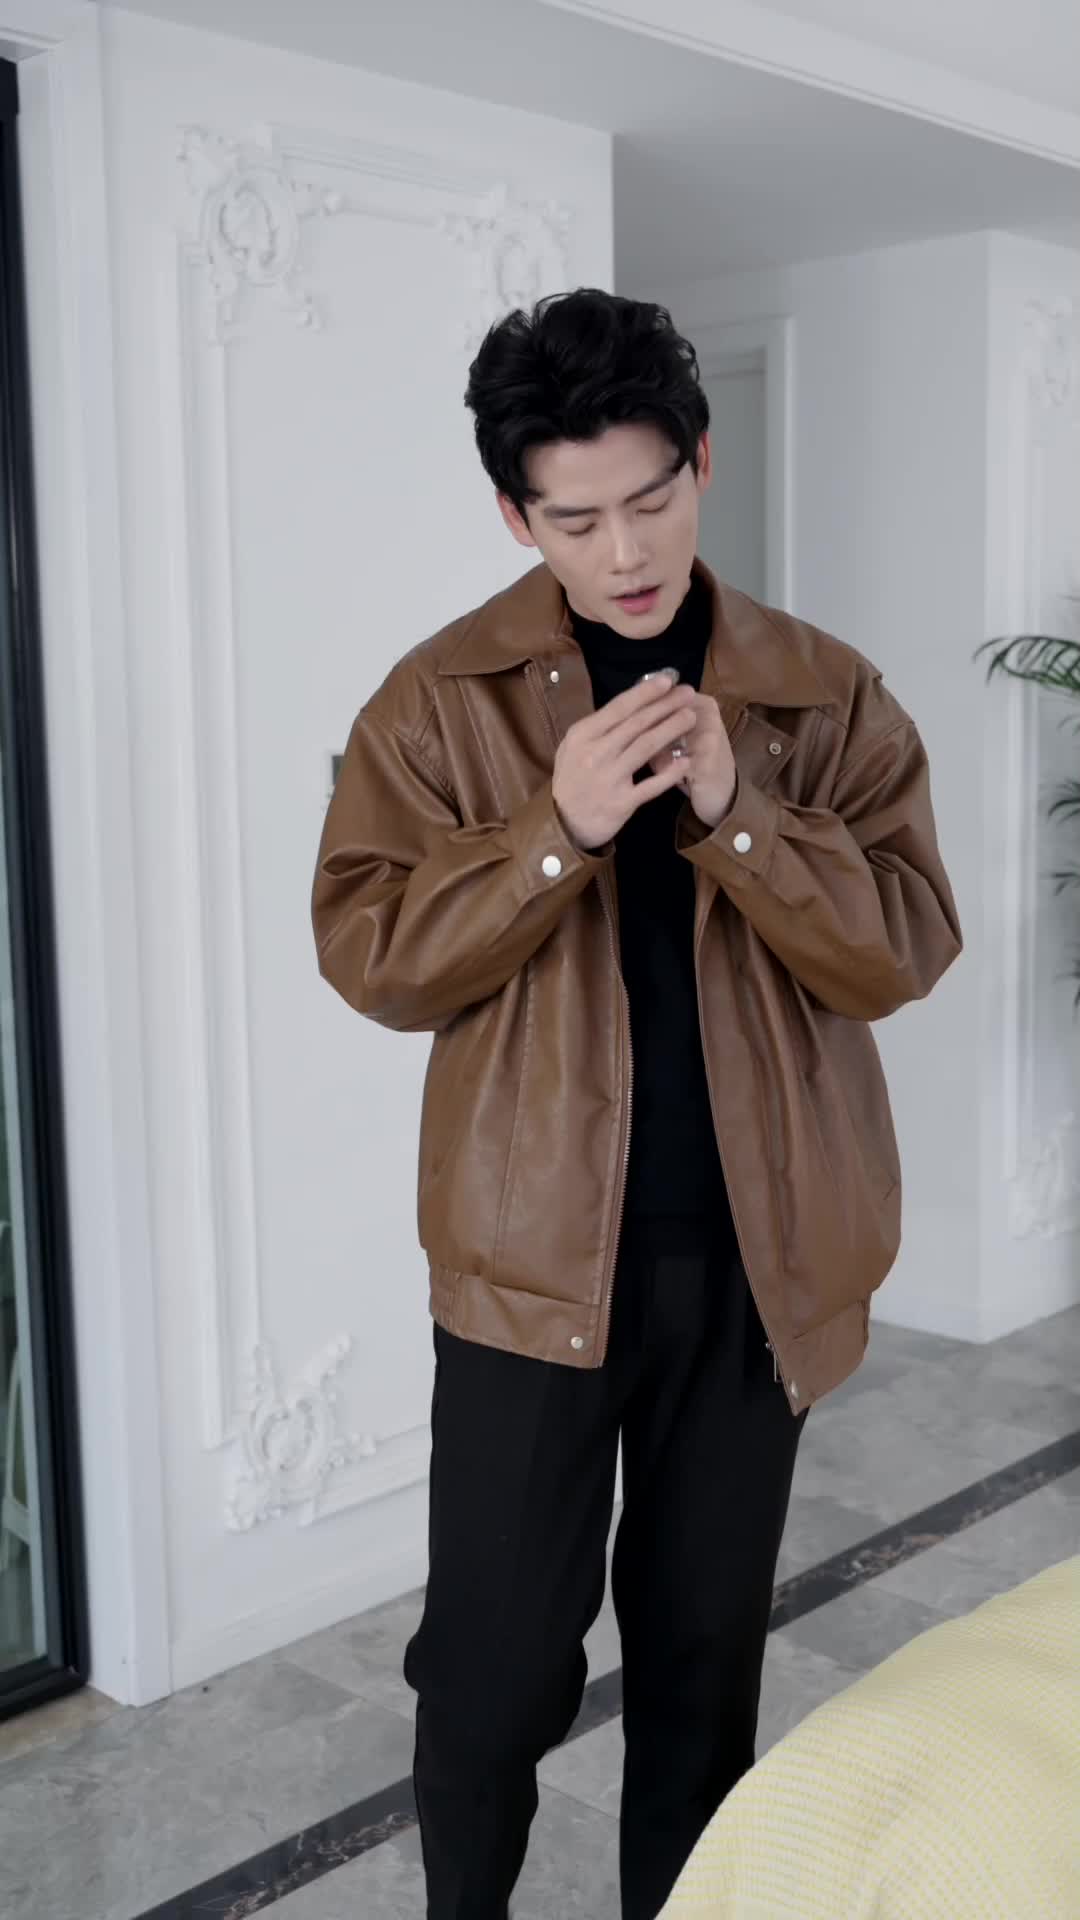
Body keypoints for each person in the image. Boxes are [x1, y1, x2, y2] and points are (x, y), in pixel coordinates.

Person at [312, 288, 962, 1920]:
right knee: (490, 1677)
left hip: (756, 1270)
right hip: (531, 1271)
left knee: (700, 1671)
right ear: (516, 516)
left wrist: (741, 813)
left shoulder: (822, 697)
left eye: (653, 499)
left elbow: (903, 946)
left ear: (702, 463)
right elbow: (376, 957)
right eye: (577, 519)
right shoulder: (438, 701)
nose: (625, 552)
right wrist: (559, 831)